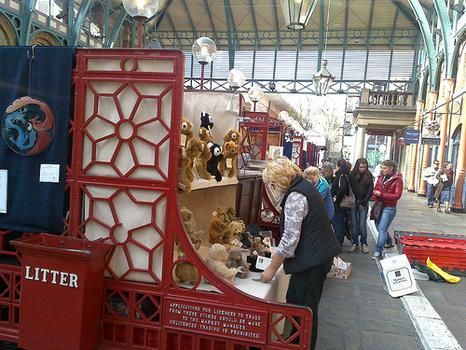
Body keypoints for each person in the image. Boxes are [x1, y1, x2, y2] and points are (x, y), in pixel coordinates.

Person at [261, 157, 341, 350]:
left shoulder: (296, 196)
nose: (272, 188)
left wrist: (271, 268)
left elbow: (289, 240)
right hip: (315, 257)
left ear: (279, 180)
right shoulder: (303, 187)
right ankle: (295, 343)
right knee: (296, 303)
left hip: (312, 261)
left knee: (304, 311)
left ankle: (302, 345)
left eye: (271, 184)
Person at [372, 160, 403, 260]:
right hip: (379, 205)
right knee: (378, 226)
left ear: (391, 168)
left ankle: (378, 251)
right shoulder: (381, 177)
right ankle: (389, 242)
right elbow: (376, 188)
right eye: (382, 167)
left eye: (385, 168)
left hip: (389, 207)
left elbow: (397, 195)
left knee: (382, 229)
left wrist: (381, 194)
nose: (383, 170)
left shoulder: (397, 180)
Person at [348, 158, 374, 253]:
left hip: (363, 202)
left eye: (364, 167)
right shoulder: (352, 175)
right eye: (361, 167)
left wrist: (364, 201)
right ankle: (355, 243)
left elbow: (370, 190)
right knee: (354, 224)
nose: (362, 169)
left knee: (362, 224)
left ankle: (364, 243)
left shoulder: (369, 176)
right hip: (354, 202)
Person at [331, 159, 351, 245]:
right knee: (339, 221)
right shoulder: (345, 175)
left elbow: (342, 188)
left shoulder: (341, 175)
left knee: (338, 222)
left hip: (339, 204)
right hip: (341, 203)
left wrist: (336, 198)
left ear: (338, 166)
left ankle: (338, 242)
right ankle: (339, 240)